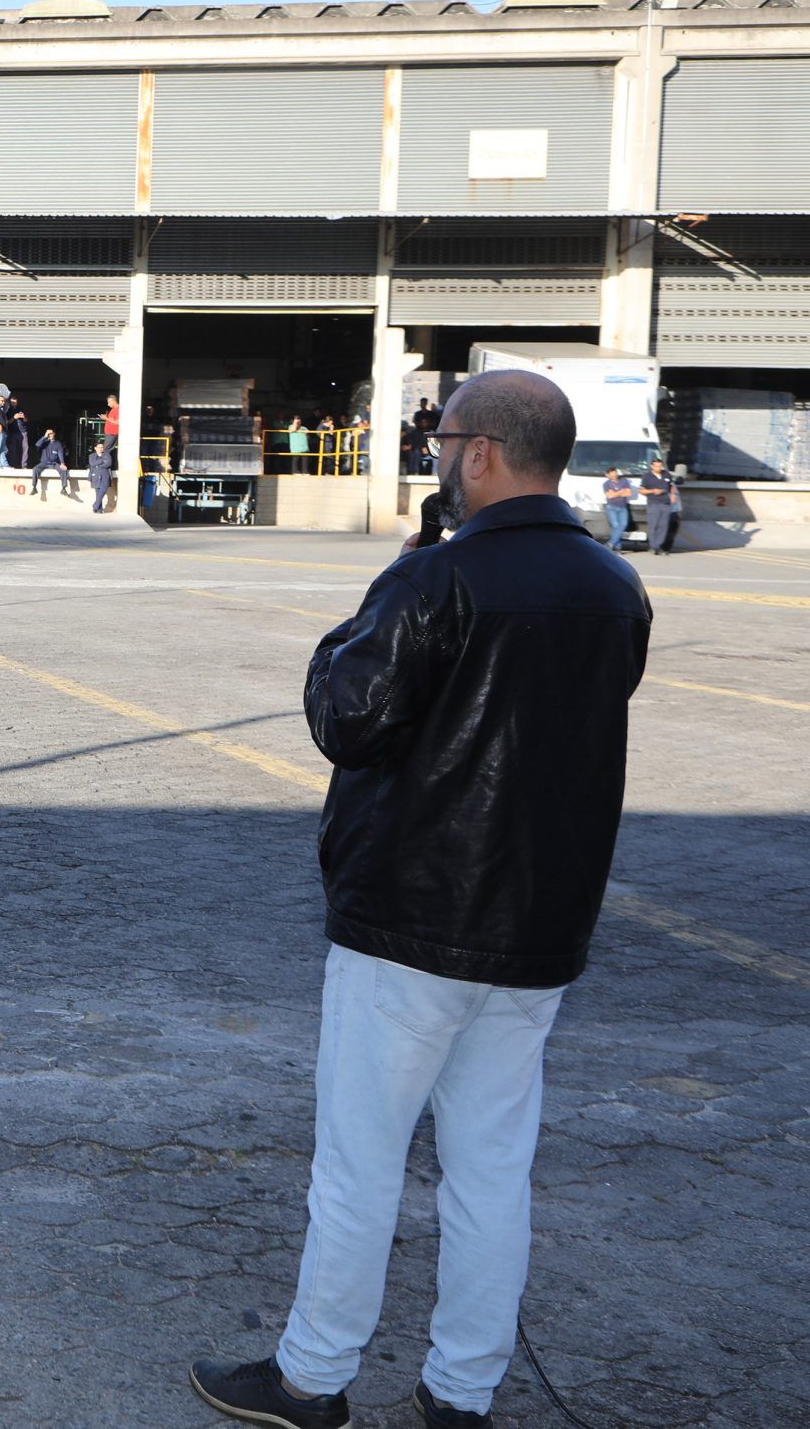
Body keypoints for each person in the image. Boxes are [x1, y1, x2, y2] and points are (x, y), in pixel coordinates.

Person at [190, 371, 651, 1429]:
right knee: (492, 1170)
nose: (432, 456)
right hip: (536, 933)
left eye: (440, 439)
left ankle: (310, 1378)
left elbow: (343, 719)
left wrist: (373, 603)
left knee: (359, 1165)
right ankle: (461, 1392)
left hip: (410, 923)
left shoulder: (436, 579)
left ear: (481, 452)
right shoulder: (612, 585)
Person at [638, 459, 680, 555]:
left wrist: (673, 495)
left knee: (663, 526)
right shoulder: (647, 477)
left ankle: (659, 545)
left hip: (666, 504)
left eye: (660, 466)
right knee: (653, 526)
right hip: (654, 503)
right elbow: (641, 490)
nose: (658, 468)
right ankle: (653, 547)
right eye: (656, 466)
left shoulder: (667, 475)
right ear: (652, 466)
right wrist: (653, 491)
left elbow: (671, 487)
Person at [600, 466, 635, 554]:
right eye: (611, 474)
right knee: (615, 525)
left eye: (615, 473)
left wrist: (616, 493)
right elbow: (609, 496)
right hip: (611, 507)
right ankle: (617, 547)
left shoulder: (624, 481)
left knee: (623, 524)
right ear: (607, 475)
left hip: (623, 506)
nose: (614, 475)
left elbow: (629, 493)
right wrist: (621, 492)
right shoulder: (606, 484)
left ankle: (611, 543)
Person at [29, 427, 71, 499]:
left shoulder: (58, 444)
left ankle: (63, 489)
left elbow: (60, 453)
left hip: (54, 463)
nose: (50, 435)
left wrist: (62, 463)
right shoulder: (44, 442)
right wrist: (45, 436)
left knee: (64, 470)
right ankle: (34, 487)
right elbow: (37, 445)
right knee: (35, 469)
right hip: (43, 463)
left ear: (54, 434)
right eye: (49, 434)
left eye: (51, 433)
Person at [87, 437, 115, 513]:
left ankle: (95, 505)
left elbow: (109, 463)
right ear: (95, 448)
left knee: (103, 491)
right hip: (95, 475)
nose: (101, 449)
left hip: (105, 475)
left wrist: (98, 465)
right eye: (99, 447)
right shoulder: (91, 456)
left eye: (102, 447)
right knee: (98, 492)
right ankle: (99, 509)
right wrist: (102, 461)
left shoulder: (107, 455)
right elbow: (92, 463)